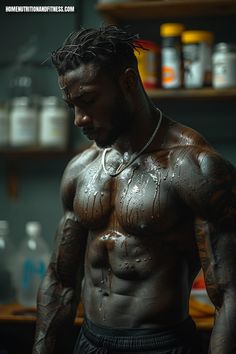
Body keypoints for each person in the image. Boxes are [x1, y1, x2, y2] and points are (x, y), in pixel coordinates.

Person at [33, 25, 236, 354]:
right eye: (72, 105)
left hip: (161, 345)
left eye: (87, 101)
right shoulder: (81, 169)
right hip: (89, 342)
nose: (79, 119)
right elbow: (60, 282)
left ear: (128, 83)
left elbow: (230, 295)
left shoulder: (193, 167)